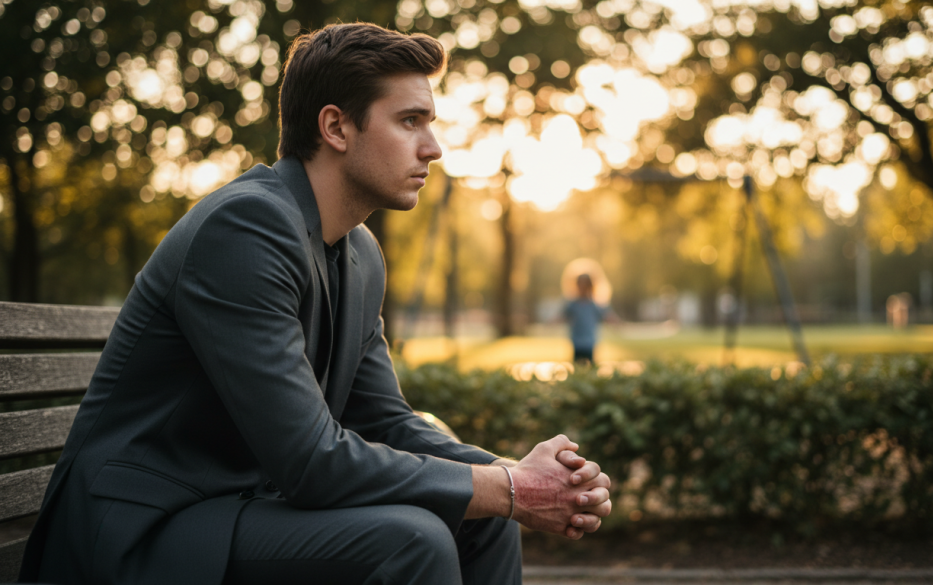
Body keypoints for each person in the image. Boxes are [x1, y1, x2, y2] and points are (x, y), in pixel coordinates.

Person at [19, 23, 611, 585]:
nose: (433, 148)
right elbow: (309, 461)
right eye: (410, 122)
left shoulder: (358, 252)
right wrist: (509, 488)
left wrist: (518, 476)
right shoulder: (244, 228)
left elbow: (383, 420)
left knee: (481, 525)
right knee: (414, 538)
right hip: (144, 532)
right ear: (335, 127)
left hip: (234, 509)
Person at [564, 274, 608, 365]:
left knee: (590, 365)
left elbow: (606, 316)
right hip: (577, 342)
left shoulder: (594, 305)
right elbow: (562, 316)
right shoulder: (573, 305)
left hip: (589, 343)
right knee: (577, 366)